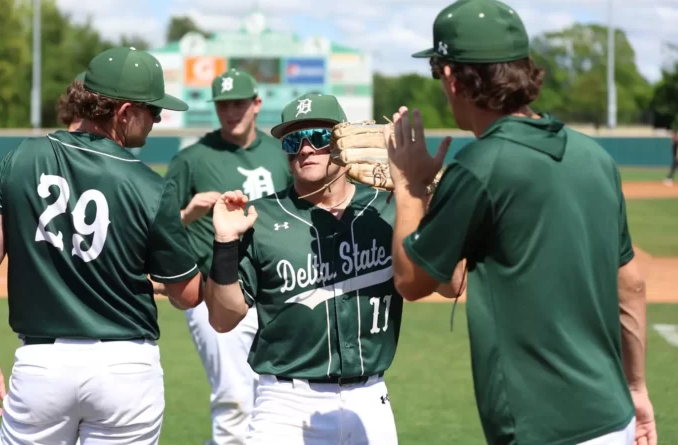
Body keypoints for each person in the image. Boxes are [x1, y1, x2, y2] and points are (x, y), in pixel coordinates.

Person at [386, 1, 657, 444]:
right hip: (615, 417)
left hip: (541, 428)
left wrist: (409, 187)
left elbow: (412, 279)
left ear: (453, 78)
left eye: (438, 72)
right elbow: (631, 284)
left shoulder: (480, 166)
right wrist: (637, 388)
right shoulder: (596, 158)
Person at [0, 47, 203, 445]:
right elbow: (188, 293)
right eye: (153, 111)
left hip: (42, 367)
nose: (158, 120)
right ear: (124, 113)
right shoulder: (151, 187)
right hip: (126, 369)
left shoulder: (20, 159)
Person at [202, 92, 464, 444]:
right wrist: (224, 244)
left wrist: (431, 203)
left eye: (320, 137)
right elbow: (223, 318)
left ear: (344, 141)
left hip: (370, 400)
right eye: (294, 140)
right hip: (285, 404)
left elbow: (454, 284)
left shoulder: (388, 210)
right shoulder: (260, 217)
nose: (306, 149)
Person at [164, 68, 293, 445]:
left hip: (275, 292)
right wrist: (188, 214)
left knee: (277, 392)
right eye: (223, 104)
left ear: (256, 104)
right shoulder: (193, 158)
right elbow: (159, 227)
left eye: (238, 103)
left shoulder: (280, 154)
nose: (231, 111)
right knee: (234, 396)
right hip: (213, 292)